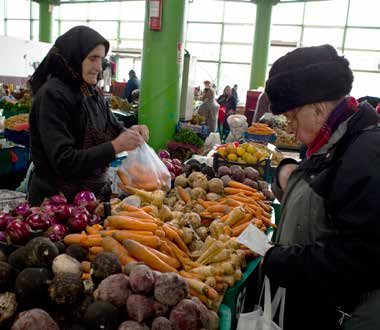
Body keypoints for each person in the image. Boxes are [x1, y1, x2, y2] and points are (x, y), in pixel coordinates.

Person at [262, 44, 380, 330]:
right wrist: (287, 175)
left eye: (291, 118)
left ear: (316, 110)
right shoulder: (335, 142)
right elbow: (324, 200)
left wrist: (279, 260)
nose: (289, 128)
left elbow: (359, 258)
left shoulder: (366, 154)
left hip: (345, 317)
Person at [28, 26, 148, 206]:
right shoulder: (52, 96)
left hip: (90, 199)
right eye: (93, 59)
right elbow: (64, 160)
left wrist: (131, 133)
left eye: (101, 59)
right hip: (56, 204)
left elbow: (113, 127)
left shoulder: (92, 92)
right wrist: (115, 147)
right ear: (74, 57)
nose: (99, 67)